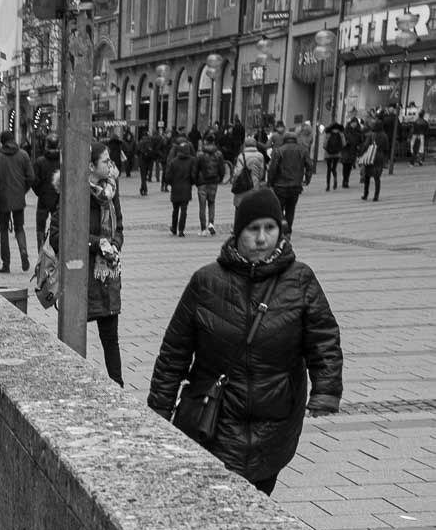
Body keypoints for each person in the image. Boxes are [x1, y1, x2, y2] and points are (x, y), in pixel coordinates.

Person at [147, 186, 343, 498]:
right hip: (215, 422)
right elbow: (174, 353)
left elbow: (323, 339)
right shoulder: (207, 282)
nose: (262, 238)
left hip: (274, 425)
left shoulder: (301, 280)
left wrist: (326, 391)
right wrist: (158, 408)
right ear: (238, 232)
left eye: (270, 228)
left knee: (258, 503)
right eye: (253, 229)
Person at [47, 142, 124, 386]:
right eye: (105, 162)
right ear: (91, 166)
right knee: (72, 338)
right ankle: (72, 385)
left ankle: (118, 387)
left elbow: (119, 227)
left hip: (107, 276)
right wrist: (97, 244)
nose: (110, 166)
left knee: (111, 338)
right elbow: (58, 237)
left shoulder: (111, 191)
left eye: (110, 161)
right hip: (81, 278)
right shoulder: (72, 193)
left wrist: (114, 245)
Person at [0, 128, 34, 275]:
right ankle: (24, 252)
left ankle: (6, 263)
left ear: (2, 142)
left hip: (3, 200)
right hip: (19, 199)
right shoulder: (23, 155)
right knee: (20, 228)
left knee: (4, 230)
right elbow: (31, 177)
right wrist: (23, 190)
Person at [267, 128, 307, 233]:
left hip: (280, 186)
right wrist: (307, 179)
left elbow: (273, 168)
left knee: (279, 209)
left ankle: (280, 229)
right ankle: (288, 230)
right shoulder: (302, 150)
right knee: (291, 209)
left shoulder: (279, 150)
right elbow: (310, 166)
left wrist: (270, 183)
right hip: (295, 186)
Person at [193, 131, 226, 235]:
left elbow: (195, 169)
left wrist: (195, 181)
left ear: (205, 141)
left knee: (202, 206)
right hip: (213, 182)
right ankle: (211, 223)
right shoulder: (218, 154)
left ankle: (203, 229)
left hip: (202, 182)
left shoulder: (200, 154)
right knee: (211, 203)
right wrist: (220, 178)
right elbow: (222, 168)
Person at [34, 136, 60, 251]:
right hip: (58, 199)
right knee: (58, 226)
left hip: (43, 199)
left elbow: (34, 181)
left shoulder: (40, 161)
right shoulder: (62, 161)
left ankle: (41, 251)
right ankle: (55, 251)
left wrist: (40, 192)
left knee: (40, 227)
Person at [164, 135, 195, 234]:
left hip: (176, 188)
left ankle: (174, 228)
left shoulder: (174, 162)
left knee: (175, 210)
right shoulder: (191, 161)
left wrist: (170, 183)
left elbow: (168, 176)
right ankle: (181, 230)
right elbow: (193, 175)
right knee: (184, 210)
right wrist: (192, 182)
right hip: (186, 188)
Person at [358, 124, 384, 202]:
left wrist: (360, 154)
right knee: (377, 178)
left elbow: (366, 145)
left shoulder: (371, 135)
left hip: (370, 157)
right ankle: (376, 196)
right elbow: (386, 147)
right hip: (379, 157)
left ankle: (366, 194)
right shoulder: (384, 136)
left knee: (367, 176)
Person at [340, 113, 363, 189]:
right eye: (353, 123)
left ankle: (346, 180)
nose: (354, 124)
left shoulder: (358, 132)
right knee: (345, 167)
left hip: (353, 151)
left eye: (355, 123)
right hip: (346, 150)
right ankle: (344, 180)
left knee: (349, 167)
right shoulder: (346, 130)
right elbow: (342, 140)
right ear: (351, 123)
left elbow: (360, 141)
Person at [323, 121, 344, 191]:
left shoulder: (328, 133)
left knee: (328, 169)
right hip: (337, 154)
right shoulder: (340, 133)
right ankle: (335, 179)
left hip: (328, 154)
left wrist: (327, 149)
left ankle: (328, 186)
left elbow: (324, 144)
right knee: (334, 168)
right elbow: (344, 143)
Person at [137, 127, 157, 195]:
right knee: (145, 176)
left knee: (143, 176)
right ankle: (142, 188)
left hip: (142, 161)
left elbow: (137, 151)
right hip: (149, 161)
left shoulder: (141, 141)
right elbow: (153, 151)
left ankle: (145, 189)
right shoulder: (150, 141)